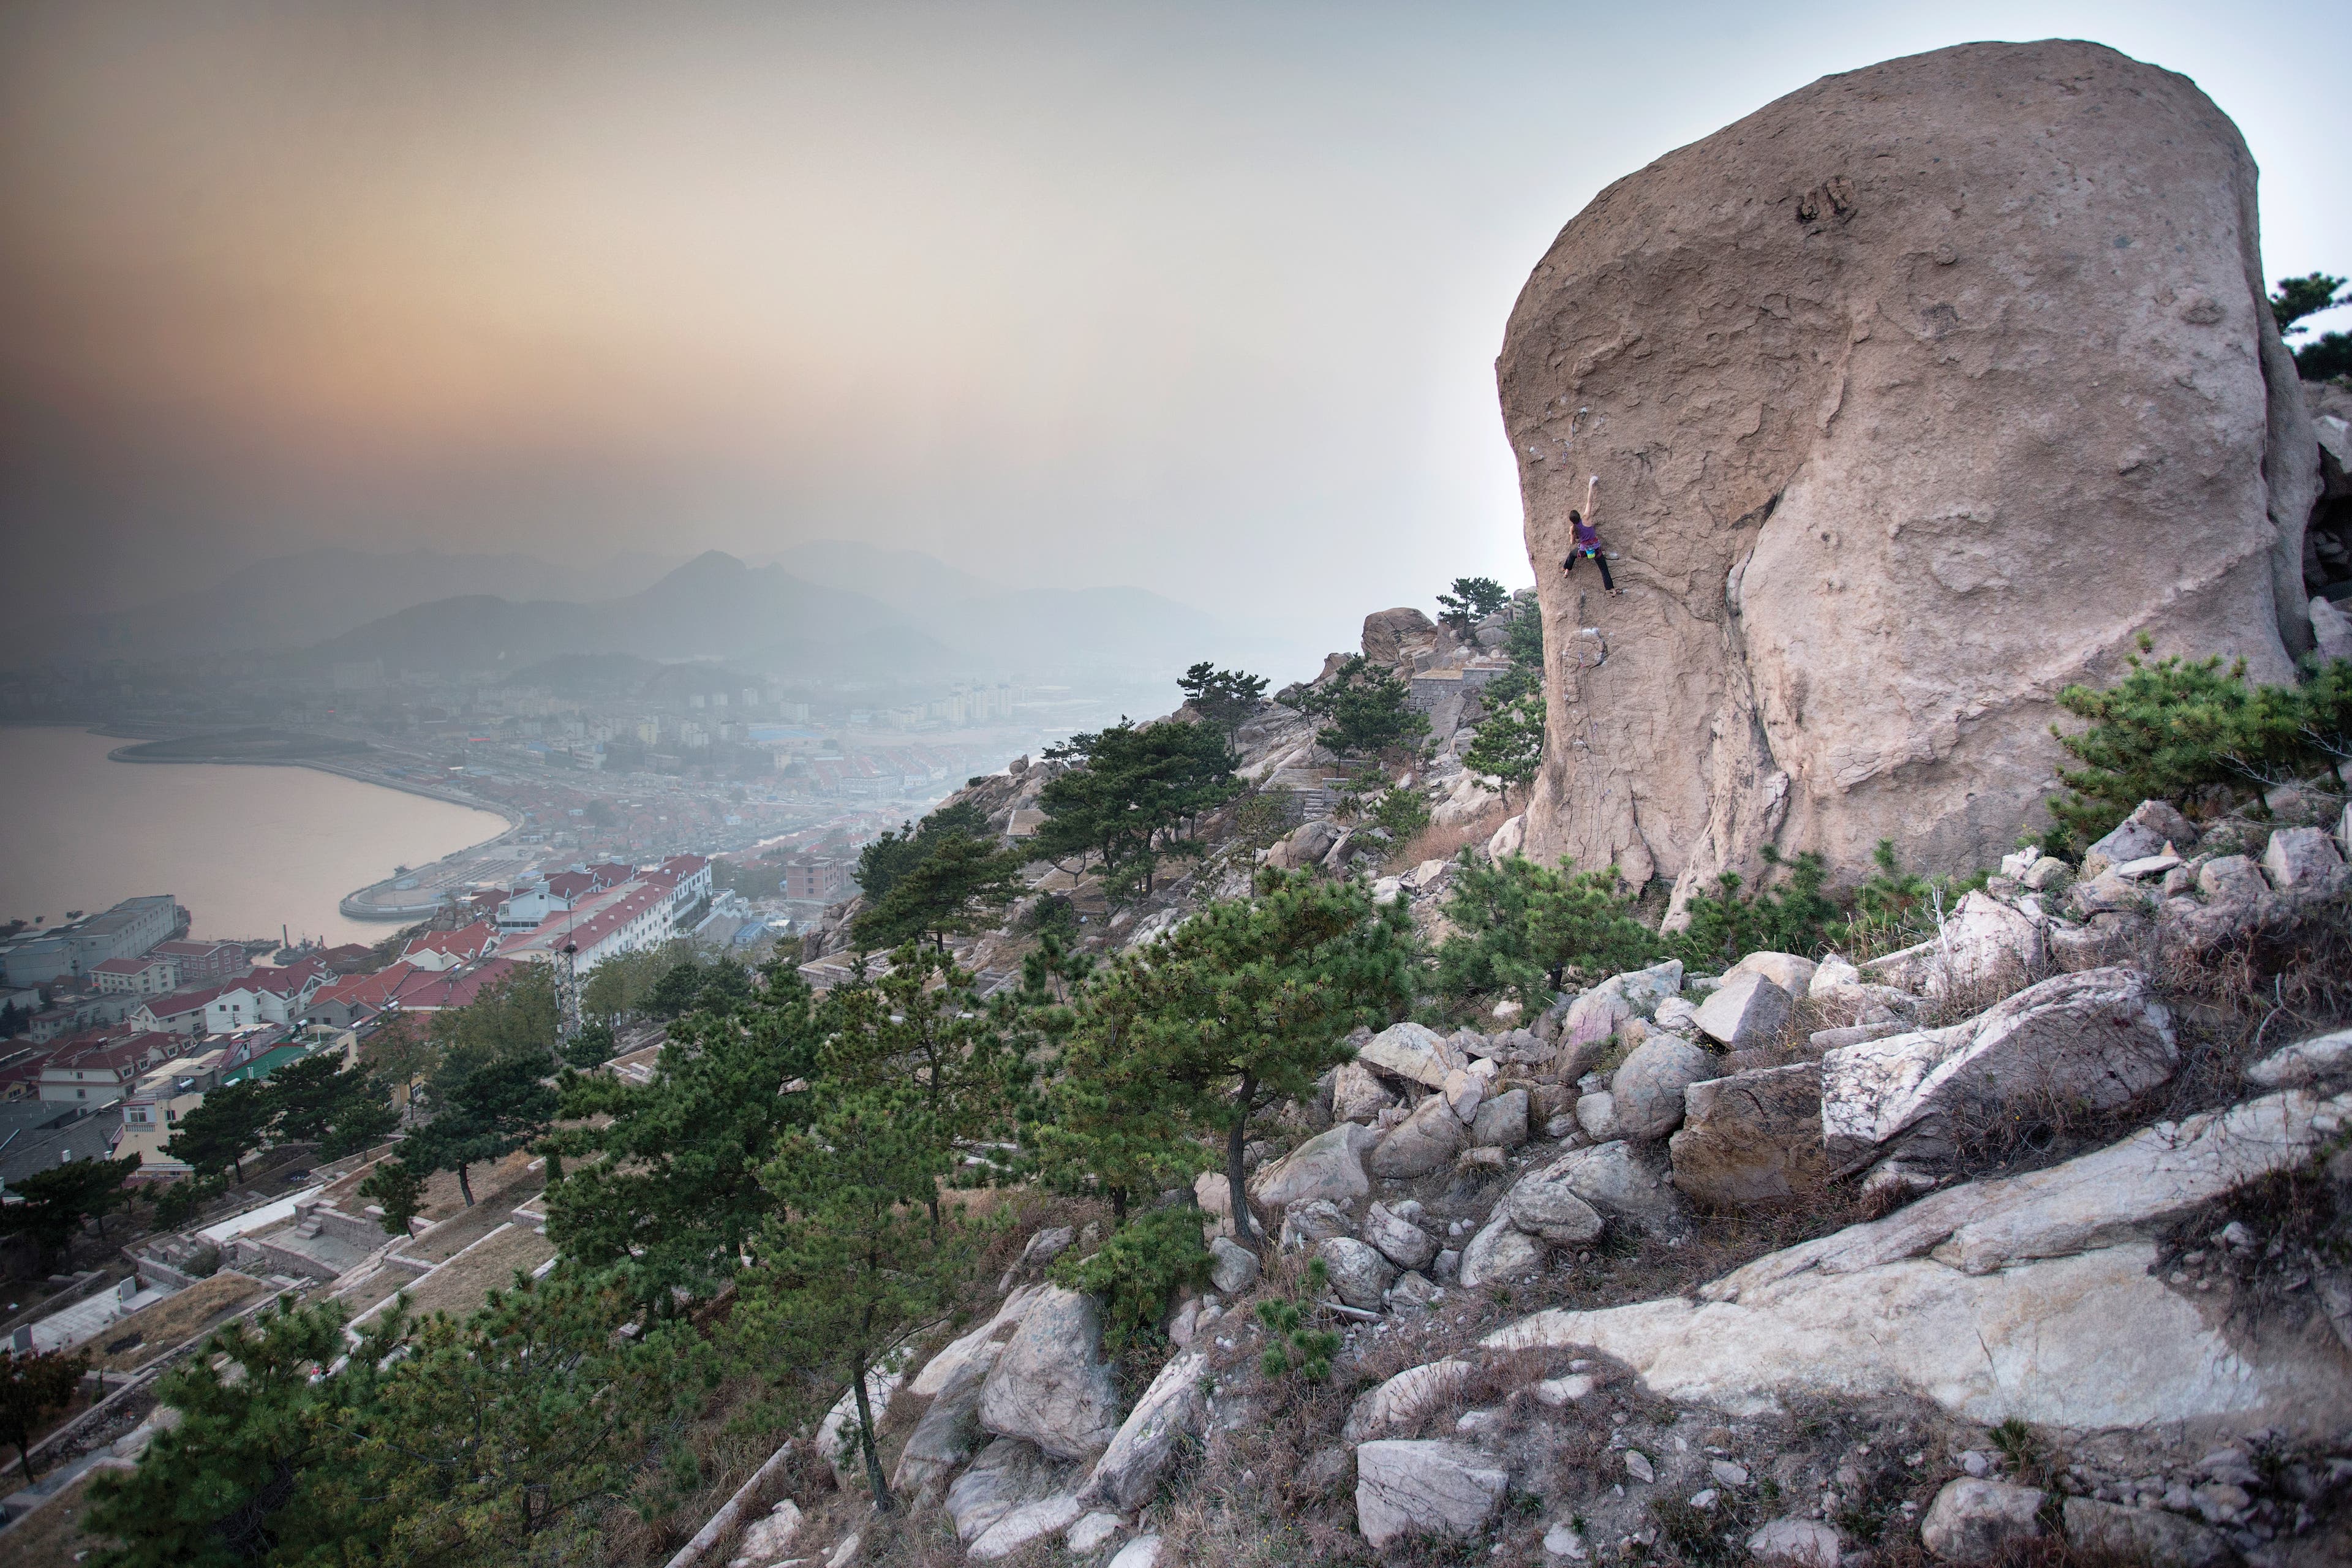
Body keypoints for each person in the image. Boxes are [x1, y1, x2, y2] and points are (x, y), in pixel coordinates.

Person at [1562, 474, 1617, 594]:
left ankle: (1567, 570)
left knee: (1572, 555)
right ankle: (1610, 588)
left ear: (1572, 520)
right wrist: (1591, 485)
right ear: (1579, 516)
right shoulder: (1586, 518)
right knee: (1603, 569)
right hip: (1596, 550)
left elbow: (1572, 543)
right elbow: (1589, 501)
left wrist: (1570, 534)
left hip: (1584, 552)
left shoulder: (1573, 528)